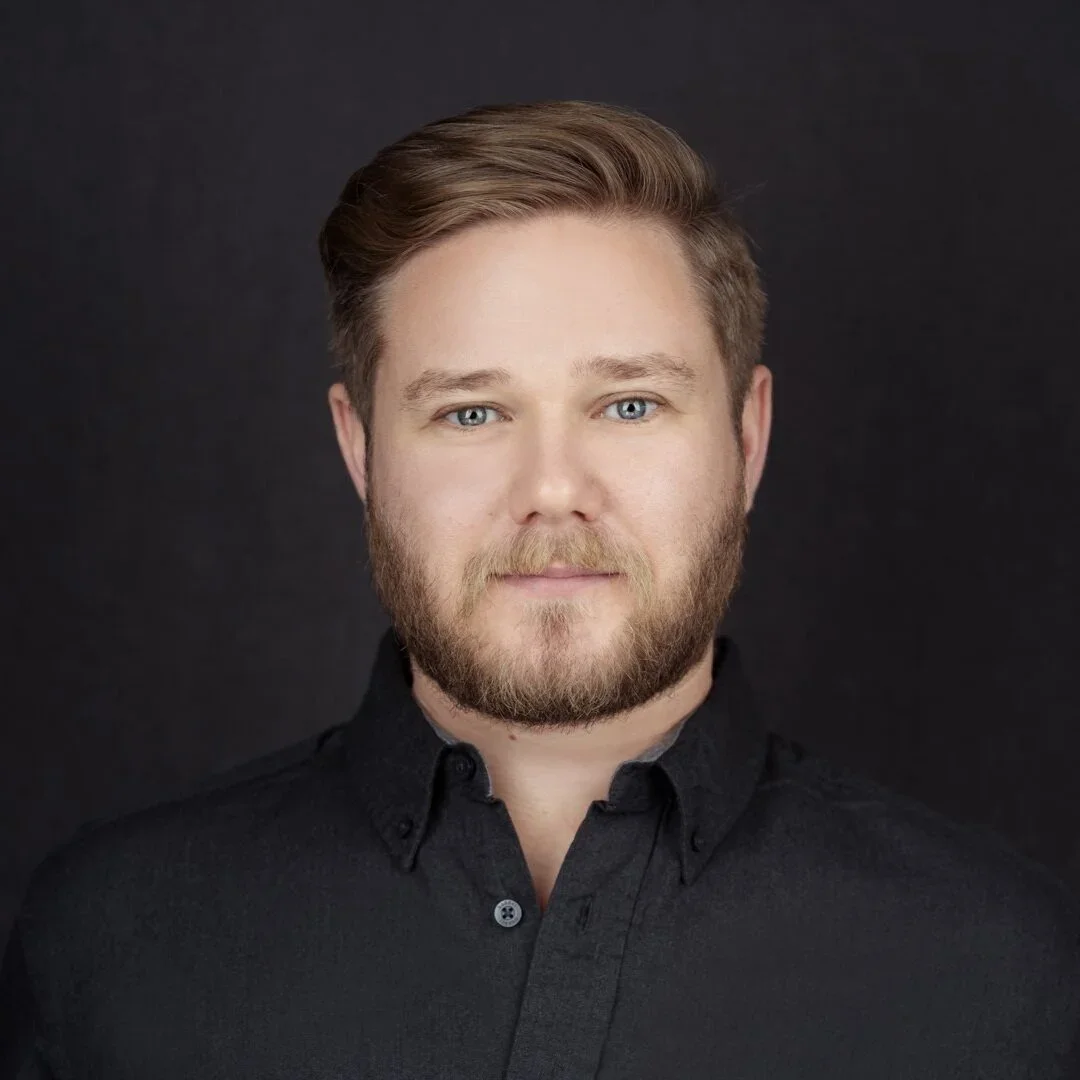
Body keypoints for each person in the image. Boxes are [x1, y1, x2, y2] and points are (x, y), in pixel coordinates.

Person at [2, 100, 1078, 1079]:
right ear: (360, 452)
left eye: (630, 405)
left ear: (747, 439)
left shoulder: (1004, 974)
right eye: (472, 413)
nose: (553, 491)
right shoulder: (110, 947)